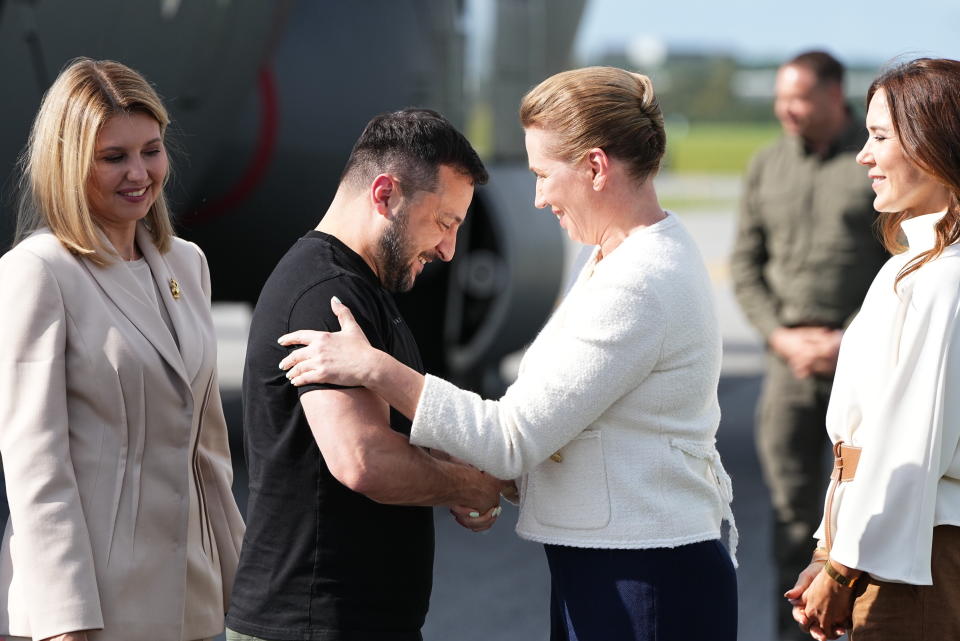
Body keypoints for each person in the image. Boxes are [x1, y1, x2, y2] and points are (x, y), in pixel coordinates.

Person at [279, 67, 738, 641]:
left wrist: (375, 368)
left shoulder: (637, 280)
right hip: (617, 559)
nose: (539, 197)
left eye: (544, 174)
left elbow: (511, 437)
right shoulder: (619, 256)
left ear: (596, 167)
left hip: (641, 573)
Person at [224, 108, 501, 641]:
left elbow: (393, 429)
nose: (449, 249)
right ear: (385, 194)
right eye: (444, 223)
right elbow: (363, 459)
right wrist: (470, 484)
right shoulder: (324, 295)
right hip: (312, 624)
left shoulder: (365, 289)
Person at [0, 58, 245, 641]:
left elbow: (207, 449)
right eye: (114, 157)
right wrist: (66, 620)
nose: (139, 172)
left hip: (190, 596)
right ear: (68, 163)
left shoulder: (188, 263)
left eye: (151, 150)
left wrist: (243, 581)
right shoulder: (36, 273)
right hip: (91, 609)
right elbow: (37, 465)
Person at [785, 57, 960, 641]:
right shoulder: (910, 267)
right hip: (878, 540)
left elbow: (909, 444)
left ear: (937, 144)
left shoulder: (945, 279)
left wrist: (841, 568)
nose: (863, 154)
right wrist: (826, 547)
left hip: (913, 553)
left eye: (880, 136)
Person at [729, 50, 889, 641]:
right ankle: (794, 631)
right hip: (790, 362)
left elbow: (898, 262)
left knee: (874, 501)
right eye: (779, 99)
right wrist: (778, 335)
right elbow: (745, 265)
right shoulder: (767, 164)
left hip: (867, 356)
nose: (785, 110)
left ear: (832, 95)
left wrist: (848, 338)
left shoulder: (873, 160)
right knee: (793, 517)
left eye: (797, 98)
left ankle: (867, 623)